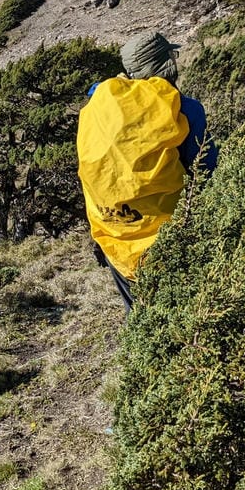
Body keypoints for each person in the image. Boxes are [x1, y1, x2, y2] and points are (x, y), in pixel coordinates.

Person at [76, 31, 217, 311]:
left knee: (140, 319)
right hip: (166, 237)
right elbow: (206, 170)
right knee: (186, 314)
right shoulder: (183, 108)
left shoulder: (97, 105)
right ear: (165, 63)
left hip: (111, 235)